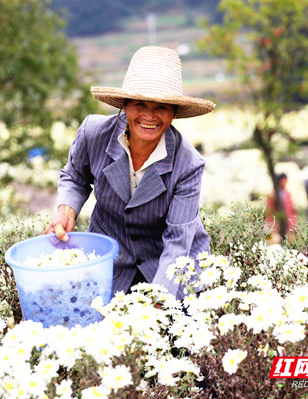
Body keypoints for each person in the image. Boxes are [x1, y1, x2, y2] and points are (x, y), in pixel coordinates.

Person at [45, 46, 215, 298]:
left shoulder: (187, 164)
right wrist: (66, 211)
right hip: (112, 259)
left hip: (169, 265)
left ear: (174, 113)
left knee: (174, 331)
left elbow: (177, 242)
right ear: (124, 105)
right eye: (139, 104)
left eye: (162, 107)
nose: (150, 116)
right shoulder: (94, 134)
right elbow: (75, 176)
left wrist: (159, 301)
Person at [265, 173, 298, 243]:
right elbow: (269, 210)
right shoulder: (273, 194)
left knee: (290, 241)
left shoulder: (287, 193)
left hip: (288, 223)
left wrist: (294, 224)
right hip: (276, 223)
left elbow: (291, 210)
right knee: (274, 241)